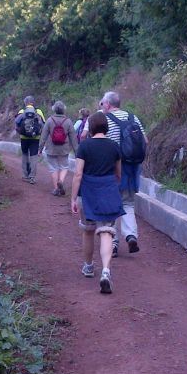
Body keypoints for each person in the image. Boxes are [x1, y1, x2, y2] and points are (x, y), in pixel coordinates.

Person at [70, 112, 125, 294]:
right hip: (108, 190)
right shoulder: (114, 146)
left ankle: (88, 266)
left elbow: (78, 174)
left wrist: (73, 198)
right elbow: (118, 174)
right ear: (106, 127)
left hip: (88, 193)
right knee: (107, 232)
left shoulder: (84, 146)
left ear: (91, 127)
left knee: (88, 230)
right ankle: (106, 271)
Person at [100, 91, 148, 257]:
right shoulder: (133, 118)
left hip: (113, 169)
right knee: (128, 203)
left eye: (102, 103)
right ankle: (131, 236)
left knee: (111, 206)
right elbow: (145, 141)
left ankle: (112, 244)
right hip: (132, 168)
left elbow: (101, 144)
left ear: (107, 104)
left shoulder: (105, 120)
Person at [38, 100, 78, 196]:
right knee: (64, 166)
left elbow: (43, 136)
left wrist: (40, 149)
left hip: (51, 149)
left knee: (53, 168)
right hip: (64, 149)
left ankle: (56, 188)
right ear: (64, 109)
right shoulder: (68, 121)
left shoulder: (49, 120)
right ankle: (61, 180)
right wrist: (77, 151)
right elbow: (73, 137)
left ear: (54, 109)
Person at [15, 95, 45, 183]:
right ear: (33, 102)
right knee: (34, 156)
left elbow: (16, 122)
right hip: (35, 137)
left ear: (25, 102)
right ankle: (32, 177)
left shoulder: (22, 111)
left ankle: (25, 175)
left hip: (23, 137)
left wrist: (20, 132)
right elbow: (43, 124)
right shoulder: (38, 111)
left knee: (24, 155)